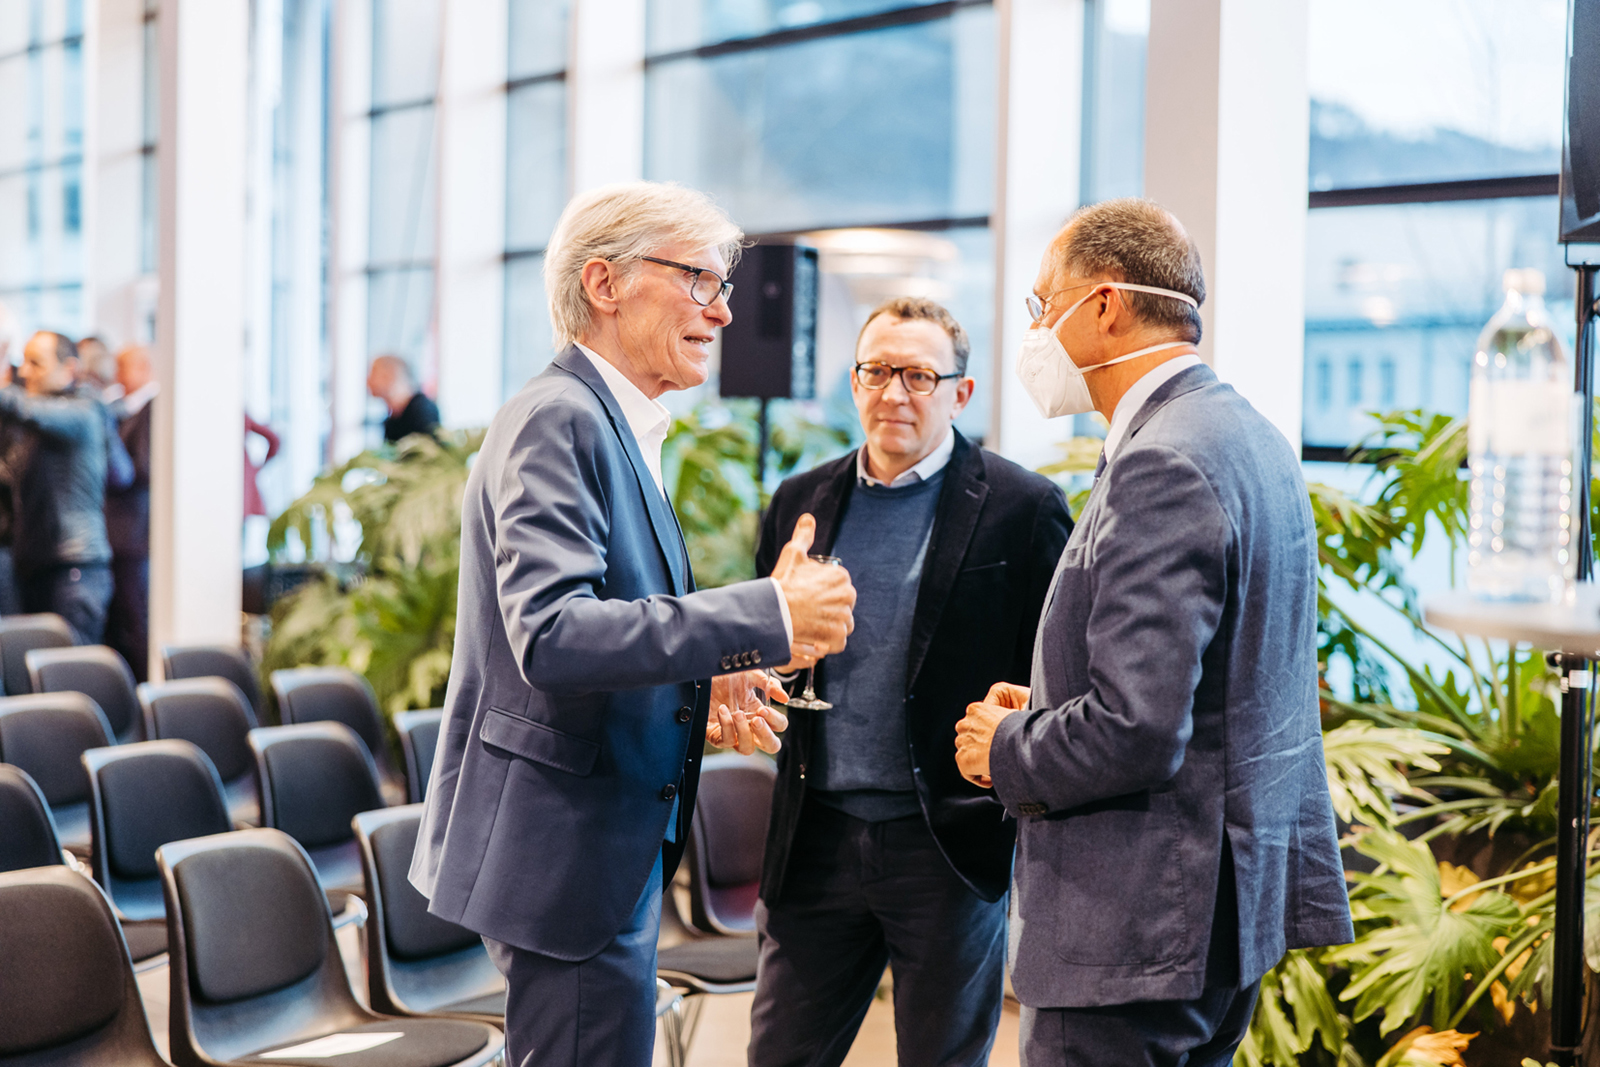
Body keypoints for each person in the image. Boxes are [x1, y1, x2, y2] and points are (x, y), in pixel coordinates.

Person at [409, 181, 858, 1067]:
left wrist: (712, 671)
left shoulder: (606, 421)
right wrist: (765, 612)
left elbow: (602, 616)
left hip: (593, 847)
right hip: (570, 853)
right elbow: (554, 634)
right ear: (605, 283)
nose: (724, 312)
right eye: (699, 280)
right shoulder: (560, 420)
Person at [954, 198, 1353, 1067]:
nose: (1033, 331)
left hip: (1133, 933)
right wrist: (1058, 695)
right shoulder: (1247, 433)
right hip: (1213, 919)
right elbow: (1212, 677)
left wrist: (1008, 745)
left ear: (1103, 304)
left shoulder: (1162, 459)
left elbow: (1136, 727)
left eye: (1040, 304)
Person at [748, 297, 1073, 1067]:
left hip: (946, 843)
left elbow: (1056, 672)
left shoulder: (1021, 509)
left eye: (919, 375)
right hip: (815, 834)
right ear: (855, 381)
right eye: (876, 371)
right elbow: (758, 641)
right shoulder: (802, 500)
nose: (893, 392)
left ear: (961, 392)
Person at [0, 332, 131, 643]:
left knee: (69, 675)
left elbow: (25, 409)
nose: (25, 372)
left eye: (37, 363)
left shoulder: (83, 410)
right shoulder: (39, 421)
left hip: (74, 570)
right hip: (36, 567)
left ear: (69, 369)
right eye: (24, 362)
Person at [105, 345, 155, 681]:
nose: (118, 376)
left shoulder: (152, 409)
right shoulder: (124, 408)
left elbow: (142, 468)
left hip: (133, 530)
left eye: (123, 367)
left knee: (135, 616)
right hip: (121, 530)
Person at [368, 354, 441, 442]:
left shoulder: (423, 411)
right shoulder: (393, 418)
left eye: (373, 373)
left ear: (389, 375)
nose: (368, 380)